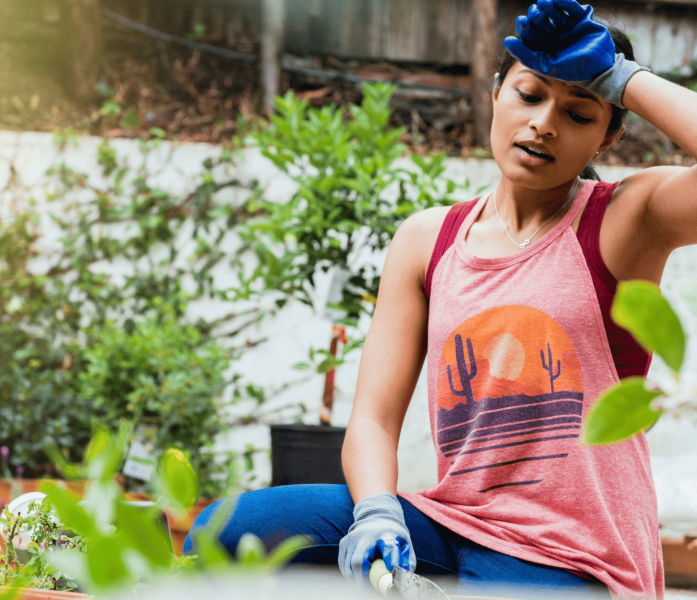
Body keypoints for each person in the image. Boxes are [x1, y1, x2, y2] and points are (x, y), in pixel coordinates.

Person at [185, 1, 691, 597]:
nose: (545, 124)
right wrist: (376, 509)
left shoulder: (622, 221)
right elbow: (373, 418)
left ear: (607, 138)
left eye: (579, 112)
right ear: (496, 93)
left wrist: (624, 79)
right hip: (454, 523)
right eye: (529, 95)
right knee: (224, 531)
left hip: (572, 555)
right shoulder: (429, 240)